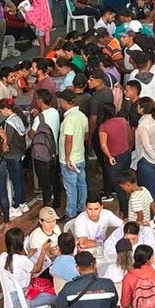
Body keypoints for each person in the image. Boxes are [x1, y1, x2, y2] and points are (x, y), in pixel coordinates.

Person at [0, 227, 57, 308]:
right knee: (58, 295)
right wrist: (43, 251)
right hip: (24, 300)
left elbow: (17, 262)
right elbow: (37, 268)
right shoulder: (21, 260)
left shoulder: (3, 256)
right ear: (21, 244)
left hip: (10, 298)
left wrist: (29, 255)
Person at [55, 251, 120, 308]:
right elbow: (114, 303)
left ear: (77, 268)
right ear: (95, 265)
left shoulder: (69, 288)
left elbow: (60, 306)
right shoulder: (108, 284)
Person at [58, 88, 88, 221]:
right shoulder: (82, 116)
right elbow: (86, 136)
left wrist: (67, 157)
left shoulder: (69, 119)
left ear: (65, 102)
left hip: (70, 160)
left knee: (70, 187)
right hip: (80, 156)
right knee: (82, 184)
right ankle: (82, 208)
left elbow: (68, 139)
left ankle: (71, 213)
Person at [28, 88, 62, 209]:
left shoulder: (39, 119)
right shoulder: (55, 112)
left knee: (45, 182)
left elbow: (31, 135)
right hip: (54, 152)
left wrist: (35, 119)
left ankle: (46, 205)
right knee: (55, 179)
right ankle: (57, 202)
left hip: (42, 155)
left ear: (40, 100)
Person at [0, 98, 29, 219]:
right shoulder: (19, 118)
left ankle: (15, 207)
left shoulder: (9, 123)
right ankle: (22, 203)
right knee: (20, 180)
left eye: (1, 111)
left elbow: (6, 140)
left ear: (6, 109)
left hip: (11, 155)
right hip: (19, 153)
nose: (1, 114)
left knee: (16, 182)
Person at [100, 102, 132, 217]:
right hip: (126, 156)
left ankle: (125, 213)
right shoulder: (123, 120)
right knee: (127, 182)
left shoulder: (103, 127)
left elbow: (103, 145)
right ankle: (130, 209)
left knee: (119, 188)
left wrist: (109, 157)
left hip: (114, 159)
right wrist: (129, 148)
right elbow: (129, 137)